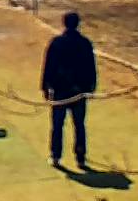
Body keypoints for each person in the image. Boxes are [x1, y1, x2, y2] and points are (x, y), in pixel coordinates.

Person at [40, 11, 97, 169]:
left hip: (60, 90)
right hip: (79, 90)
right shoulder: (85, 43)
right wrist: (91, 86)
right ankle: (80, 157)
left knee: (58, 125)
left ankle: (56, 156)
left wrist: (45, 86)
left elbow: (48, 66)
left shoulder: (57, 42)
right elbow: (90, 67)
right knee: (79, 124)